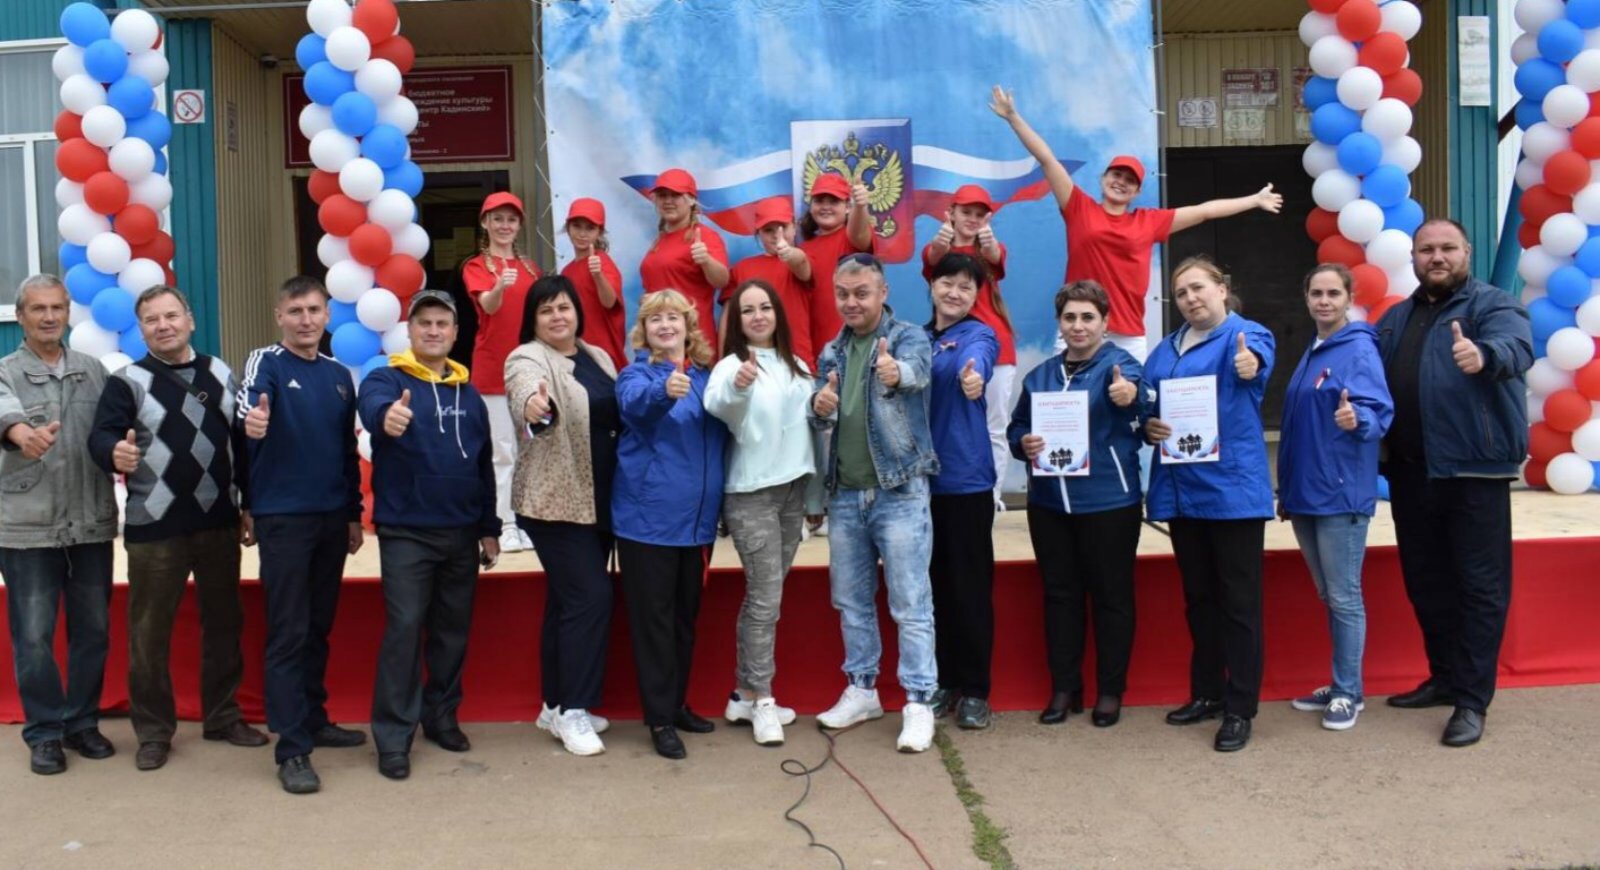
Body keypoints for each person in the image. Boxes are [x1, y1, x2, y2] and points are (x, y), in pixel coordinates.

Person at [89, 285, 268, 772]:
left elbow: (241, 444)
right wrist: (113, 452)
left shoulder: (220, 372)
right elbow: (102, 436)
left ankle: (223, 717)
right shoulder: (126, 382)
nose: (163, 325)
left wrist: (249, 504)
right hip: (155, 529)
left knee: (224, 625)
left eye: (171, 315)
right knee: (149, 635)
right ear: (140, 329)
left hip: (219, 524)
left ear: (190, 320)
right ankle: (153, 732)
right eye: (151, 319)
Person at [1374, 218, 1532, 748]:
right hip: (1411, 473)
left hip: (1473, 473)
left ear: (1466, 252)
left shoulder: (1493, 306)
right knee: (1426, 583)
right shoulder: (1396, 318)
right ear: (1413, 258)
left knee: (1479, 588)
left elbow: (1516, 349)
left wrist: (1485, 355)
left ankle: (1471, 700)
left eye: (1447, 248)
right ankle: (1443, 678)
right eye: (1426, 250)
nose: (1436, 257)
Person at [989, 86, 1283, 359]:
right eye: (1116, 175)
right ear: (1104, 178)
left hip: (1127, 336)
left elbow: (1204, 211)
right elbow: (1047, 159)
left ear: (1137, 191)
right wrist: (1013, 117)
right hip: (1078, 327)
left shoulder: (1149, 221)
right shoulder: (1078, 207)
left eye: (1130, 180)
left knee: (1128, 398)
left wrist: (1254, 200)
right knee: (1069, 398)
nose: (1121, 182)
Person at [360, 290, 501, 781]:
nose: (434, 331)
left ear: (456, 333)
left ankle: (441, 716)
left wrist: (489, 528)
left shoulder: (470, 394)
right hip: (408, 533)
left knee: (450, 632)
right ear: (410, 331)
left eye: (443, 323)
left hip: (461, 533)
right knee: (404, 631)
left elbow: (483, 466)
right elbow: (373, 408)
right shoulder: (387, 379)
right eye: (425, 323)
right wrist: (387, 417)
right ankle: (393, 737)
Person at [236, 275, 368, 794]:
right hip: (283, 520)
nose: (306, 320)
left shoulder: (338, 375)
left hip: (332, 520)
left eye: (314, 310)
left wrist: (354, 513)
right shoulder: (265, 362)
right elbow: (249, 407)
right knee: (289, 632)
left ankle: (313, 718)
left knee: (317, 627)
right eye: (295, 311)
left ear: (328, 315)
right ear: (279, 317)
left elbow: (346, 451)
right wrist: (253, 420)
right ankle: (292, 749)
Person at [809, 253, 942, 754]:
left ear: (883, 293)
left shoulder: (908, 337)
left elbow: (917, 373)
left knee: (910, 602)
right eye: (842, 293)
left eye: (861, 293)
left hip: (899, 490)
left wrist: (894, 372)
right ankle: (862, 690)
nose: (851, 302)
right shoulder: (832, 350)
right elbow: (823, 416)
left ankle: (919, 701)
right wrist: (818, 405)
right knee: (850, 600)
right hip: (845, 494)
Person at [1142, 257, 1275, 752]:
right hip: (1182, 493)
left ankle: (1240, 708)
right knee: (1200, 601)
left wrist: (1250, 364)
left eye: (1198, 287)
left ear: (1222, 289)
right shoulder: (1165, 350)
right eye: (1181, 293)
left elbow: (1257, 360)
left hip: (1231, 494)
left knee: (1240, 605)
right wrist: (1148, 425)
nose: (1190, 298)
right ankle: (1208, 692)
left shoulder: (1246, 335)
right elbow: (1149, 407)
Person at [1007, 280, 1146, 729]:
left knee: (1112, 599)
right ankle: (1065, 687)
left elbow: (1146, 410)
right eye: (1070, 317)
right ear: (1059, 323)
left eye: (1088, 317)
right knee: (1060, 597)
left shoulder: (1122, 366)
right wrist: (1023, 443)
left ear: (1105, 322)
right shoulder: (1040, 376)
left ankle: (1110, 690)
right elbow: (1016, 428)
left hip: (1109, 502)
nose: (1078, 325)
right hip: (1049, 504)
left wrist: (1132, 397)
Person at [0, 275, 118, 776]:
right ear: (20, 317)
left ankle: (82, 723)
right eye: (38, 309)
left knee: (93, 630)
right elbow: (4, 412)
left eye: (57, 308)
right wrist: (18, 431)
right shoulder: (5, 372)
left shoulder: (93, 371)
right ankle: (45, 732)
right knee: (33, 637)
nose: (49, 317)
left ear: (69, 313)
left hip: (90, 522)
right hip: (28, 527)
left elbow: (116, 427)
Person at [504, 275, 619, 757]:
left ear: (577, 312)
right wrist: (534, 407)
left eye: (564, 307)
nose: (557, 316)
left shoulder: (598, 357)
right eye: (546, 309)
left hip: (599, 501)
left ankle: (553, 704)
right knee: (590, 597)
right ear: (533, 319)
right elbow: (525, 395)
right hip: (555, 502)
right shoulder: (527, 358)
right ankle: (574, 710)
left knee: (566, 602)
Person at [1277, 264, 1394, 732]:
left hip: (1340, 494)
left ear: (1349, 298)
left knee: (1344, 597)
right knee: (1331, 594)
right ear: (1307, 298)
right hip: (1306, 494)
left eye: (1333, 293)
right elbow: (1297, 429)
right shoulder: (1316, 349)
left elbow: (1378, 411)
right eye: (1316, 293)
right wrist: (1287, 489)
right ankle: (1344, 682)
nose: (1324, 301)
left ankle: (1349, 692)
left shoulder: (1359, 348)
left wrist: (1358, 420)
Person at [612, 289, 729, 760]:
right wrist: (664, 391)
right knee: (654, 625)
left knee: (683, 621)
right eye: (655, 318)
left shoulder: (707, 377)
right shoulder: (635, 375)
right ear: (644, 330)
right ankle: (659, 718)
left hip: (696, 526)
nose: (665, 325)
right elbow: (635, 406)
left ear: (687, 325)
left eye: (673, 317)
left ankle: (676, 704)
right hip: (647, 524)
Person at [704, 279, 813, 746]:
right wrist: (739, 387)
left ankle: (743, 694)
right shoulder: (730, 366)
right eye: (747, 310)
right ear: (736, 321)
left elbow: (810, 427)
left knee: (769, 596)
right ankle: (762, 698)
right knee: (765, 599)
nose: (758, 316)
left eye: (765, 307)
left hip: (793, 491)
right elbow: (719, 404)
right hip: (751, 494)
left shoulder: (796, 364)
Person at [920, 254, 999, 729]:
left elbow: (979, 364)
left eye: (965, 287)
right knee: (932, 589)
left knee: (969, 588)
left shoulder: (978, 336)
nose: (954, 293)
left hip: (966, 483)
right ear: (932, 285)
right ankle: (943, 681)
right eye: (947, 283)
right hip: (918, 486)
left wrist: (974, 379)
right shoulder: (914, 338)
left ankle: (975, 690)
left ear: (975, 296)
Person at [921, 185, 1017, 510]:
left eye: (979, 214)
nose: (972, 219)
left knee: (994, 427)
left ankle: (992, 496)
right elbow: (932, 258)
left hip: (997, 350)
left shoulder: (992, 247)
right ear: (951, 213)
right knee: (943, 422)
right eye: (966, 212)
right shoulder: (936, 249)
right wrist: (940, 244)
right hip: (949, 349)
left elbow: (996, 257)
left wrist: (989, 245)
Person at [462, 191, 540, 555]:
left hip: (531, 369)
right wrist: (499, 286)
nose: (504, 225)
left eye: (511, 219)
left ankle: (526, 521)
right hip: (493, 369)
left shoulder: (532, 269)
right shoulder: (477, 266)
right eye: (497, 219)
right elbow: (488, 306)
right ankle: (504, 523)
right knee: (501, 450)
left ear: (519, 225)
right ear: (485, 223)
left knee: (531, 448)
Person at [638, 168, 731, 357]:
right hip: (659, 343)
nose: (668, 201)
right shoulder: (659, 241)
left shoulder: (705, 236)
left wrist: (706, 260)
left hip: (693, 344)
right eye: (662, 195)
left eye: (675, 195)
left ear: (691, 200)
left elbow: (722, 280)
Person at [724, 200, 814, 365]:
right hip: (752, 364)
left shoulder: (803, 259)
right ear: (758, 233)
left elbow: (802, 264)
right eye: (768, 230)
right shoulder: (741, 268)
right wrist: (723, 359)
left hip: (797, 361)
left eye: (782, 227)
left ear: (794, 227)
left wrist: (790, 254)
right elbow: (728, 319)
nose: (776, 235)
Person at [798, 173, 874, 365]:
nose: (825, 207)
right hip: (814, 351)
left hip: (852, 347)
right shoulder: (802, 249)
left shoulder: (850, 238)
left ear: (847, 207)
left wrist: (860, 206)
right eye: (819, 201)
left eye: (833, 201)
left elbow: (859, 233)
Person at [560, 197, 629, 371]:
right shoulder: (566, 271)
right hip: (577, 356)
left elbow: (609, 302)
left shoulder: (602, 262)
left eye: (590, 228)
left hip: (604, 357)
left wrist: (597, 275)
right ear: (568, 228)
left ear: (600, 232)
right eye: (577, 226)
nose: (582, 234)